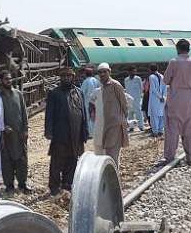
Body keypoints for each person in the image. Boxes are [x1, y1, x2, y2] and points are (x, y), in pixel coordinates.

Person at [44, 66, 88, 195]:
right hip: (60, 133)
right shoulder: (54, 93)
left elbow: (83, 113)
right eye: (64, 76)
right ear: (60, 78)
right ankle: (54, 187)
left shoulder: (79, 92)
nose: (66, 78)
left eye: (69, 76)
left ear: (73, 77)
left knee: (73, 159)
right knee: (57, 161)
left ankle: (68, 183)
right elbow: (49, 114)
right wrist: (48, 131)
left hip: (76, 134)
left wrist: (84, 131)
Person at [160, 40, 191, 166]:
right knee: (189, 128)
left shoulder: (174, 62)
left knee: (173, 129)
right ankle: (190, 158)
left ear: (177, 48)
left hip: (176, 98)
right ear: (189, 49)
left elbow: (165, 80)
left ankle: (169, 157)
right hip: (190, 98)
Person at [0, 72, 30, 192]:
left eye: (10, 79)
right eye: (6, 79)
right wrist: (3, 127)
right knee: (6, 159)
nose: (9, 81)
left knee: (22, 159)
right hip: (5, 135)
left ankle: (22, 183)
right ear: (1, 81)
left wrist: (26, 129)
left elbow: (24, 112)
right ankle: (9, 185)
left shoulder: (18, 94)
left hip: (19, 133)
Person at [92, 63, 129, 166]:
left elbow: (124, 104)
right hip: (106, 125)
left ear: (109, 72)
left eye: (105, 71)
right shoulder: (102, 87)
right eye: (100, 72)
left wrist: (123, 119)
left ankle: (114, 178)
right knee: (107, 153)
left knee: (112, 154)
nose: (102, 74)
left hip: (115, 125)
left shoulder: (115, 85)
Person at [80, 66, 101, 138]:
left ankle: (90, 134)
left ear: (86, 74)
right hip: (96, 101)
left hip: (87, 102)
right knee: (95, 116)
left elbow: (81, 92)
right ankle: (97, 132)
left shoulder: (86, 82)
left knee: (88, 117)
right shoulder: (96, 80)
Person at [123, 67, 145, 131]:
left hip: (137, 99)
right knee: (130, 114)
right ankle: (131, 127)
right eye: (132, 71)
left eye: (134, 71)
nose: (133, 73)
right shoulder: (126, 80)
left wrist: (140, 97)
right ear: (129, 72)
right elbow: (126, 90)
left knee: (139, 113)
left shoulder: (138, 79)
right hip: (129, 99)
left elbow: (141, 89)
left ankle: (141, 126)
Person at [147, 64, 166, 136]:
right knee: (161, 114)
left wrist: (159, 97)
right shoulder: (162, 76)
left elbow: (153, 89)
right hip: (162, 99)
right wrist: (163, 97)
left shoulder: (151, 77)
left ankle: (155, 132)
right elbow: (165, 88)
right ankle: (161, 130)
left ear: (150, 70)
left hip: (155, 98)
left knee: (154, 115)